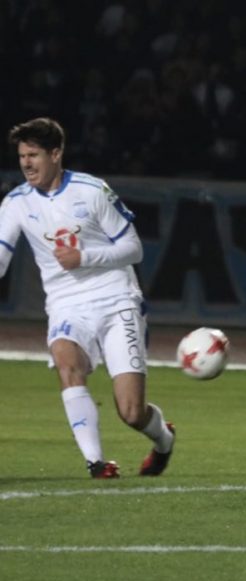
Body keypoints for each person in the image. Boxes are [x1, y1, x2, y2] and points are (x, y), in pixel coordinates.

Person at [0, 117, 175, 479]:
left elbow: (134, 248)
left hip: (117, 299)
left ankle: (164, 439)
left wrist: (84, 257)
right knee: (67, 363)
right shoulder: (16, 203)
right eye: (22, 156)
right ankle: (97, 463)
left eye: (34, 155)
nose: (26, 164)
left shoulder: (92, 191)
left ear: (56, 154)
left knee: (131, 412)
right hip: (66, 305)